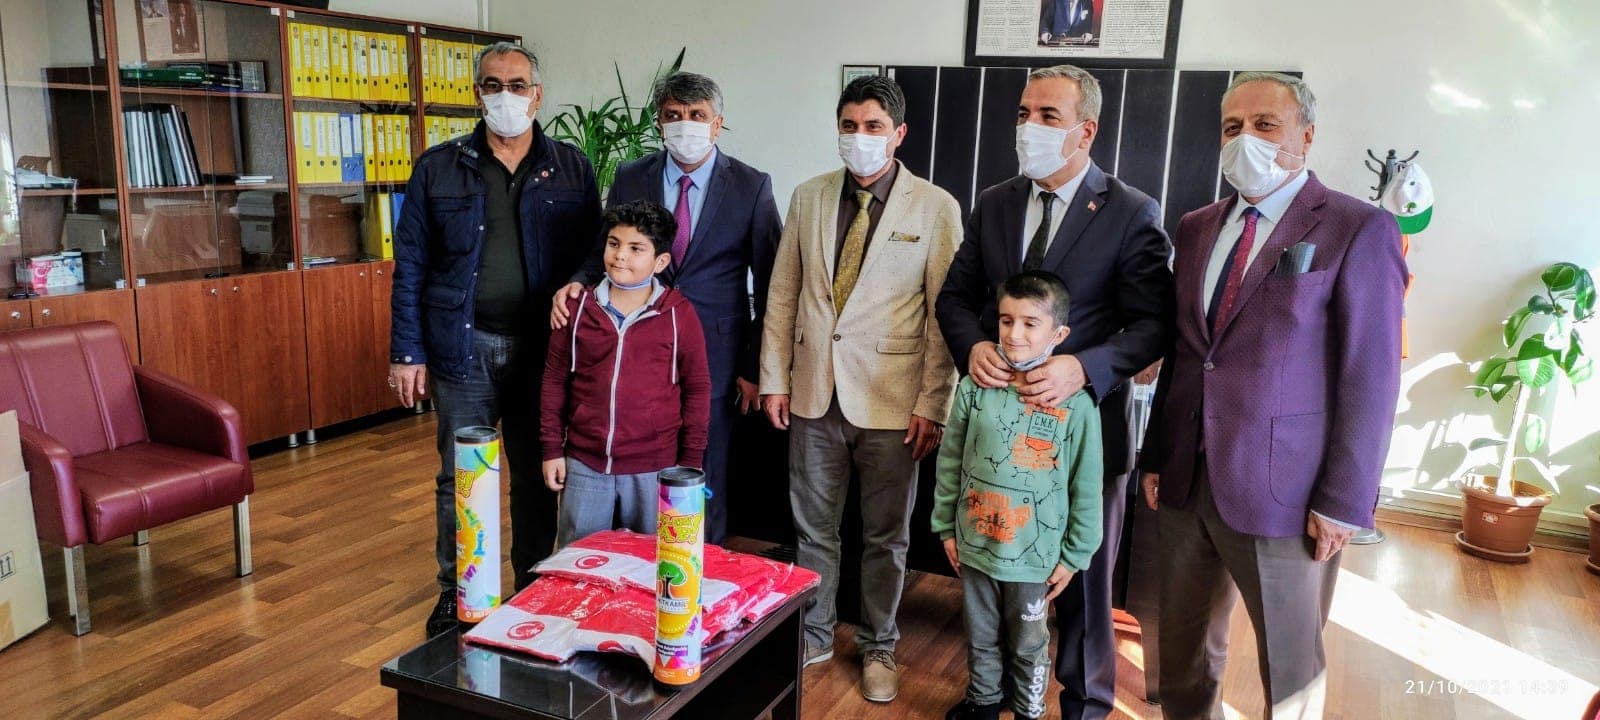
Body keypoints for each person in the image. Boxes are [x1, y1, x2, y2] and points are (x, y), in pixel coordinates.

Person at [1140, 71, 1405, 719]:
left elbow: (1370, 377)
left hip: (1287, 491)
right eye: (1232, 127)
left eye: (1265, 125)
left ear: (1306, 136)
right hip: (1187, 477)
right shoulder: (1197, 226)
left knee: (1290, 668)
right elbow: (1188, 352)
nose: (1246, 140)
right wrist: (1156, 455)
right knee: (1182, 654)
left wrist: (1344, 501)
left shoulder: (1357, 227)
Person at [935, 64, 1173, 720]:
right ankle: (990, 696)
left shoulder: (1130, 210)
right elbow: (955, 298)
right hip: (994, 436)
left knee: (1082, 582)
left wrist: (1085, 368)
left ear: (1084, 131)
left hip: (1080, 431)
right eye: (1023, 113)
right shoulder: (995, 202)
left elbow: (1155, 322)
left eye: (1047, 116)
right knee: (993, 579)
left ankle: (1085, 704)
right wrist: (972, 346)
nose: (1029, 127)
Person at [389, 41, 602, 638]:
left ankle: (532, 589)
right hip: (463, 349)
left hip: (542, 351)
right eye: (492, 85)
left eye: (517, 85)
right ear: (476, 93)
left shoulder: (572, 167)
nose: (505, 96)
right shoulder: (439, 167)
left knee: (535, 475)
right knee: (462, 478)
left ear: (537, 95)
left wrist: (579, 282)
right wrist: (407, 351)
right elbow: (411, 264)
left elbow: (596, 250)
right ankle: (458, 592)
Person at [760, 74, 961, 704]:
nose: (859, 137)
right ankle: (815, 632)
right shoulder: (810, 195)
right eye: (849, 126)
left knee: (885, 536)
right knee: (812, 529)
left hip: (893, 401)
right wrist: (774, 378)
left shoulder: (935, 207)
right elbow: (783, 294)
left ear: (899, 134)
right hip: (814, 393)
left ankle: (879, 644)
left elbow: (944, 315)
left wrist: (933, 402)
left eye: (873, 126)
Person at [551, 71, 782, 545]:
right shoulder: (632, 176)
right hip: (638, 350)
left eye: (697, 115)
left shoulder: (751, 185)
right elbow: (606, 248)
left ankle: (700, 572)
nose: (685, 124)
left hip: (716, 357)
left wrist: (754, 366)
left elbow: (771, 283)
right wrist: (576, 283)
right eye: (674, 115)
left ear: (717, 123)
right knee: (639, 477)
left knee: (702, 477)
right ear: (659, 121)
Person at [933, 271, 1105, 720]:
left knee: (1029, 643)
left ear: (1059, 334)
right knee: (980, 635)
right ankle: (984, 701)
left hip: (1035, 557)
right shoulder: (974, 388)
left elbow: (1087, 486)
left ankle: (1029, 709)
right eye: (1006, 320)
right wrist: (945, 527)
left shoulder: (1077, 405)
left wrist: (1076, 554)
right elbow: (950, 462)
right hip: (976, 544)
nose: (1014, 334)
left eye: (1031, 323)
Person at [541, 200, 710, 547]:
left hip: (655, 468)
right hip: (586, 464)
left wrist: (690, 463)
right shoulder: (575, 308)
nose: (620, 256)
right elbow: (554, 380)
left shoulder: (678, 314)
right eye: (614, 243)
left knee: (654, 563)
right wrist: (551, 449)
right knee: (578, 562)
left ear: (660, 261)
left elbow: (697, 389)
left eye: (636, 248)